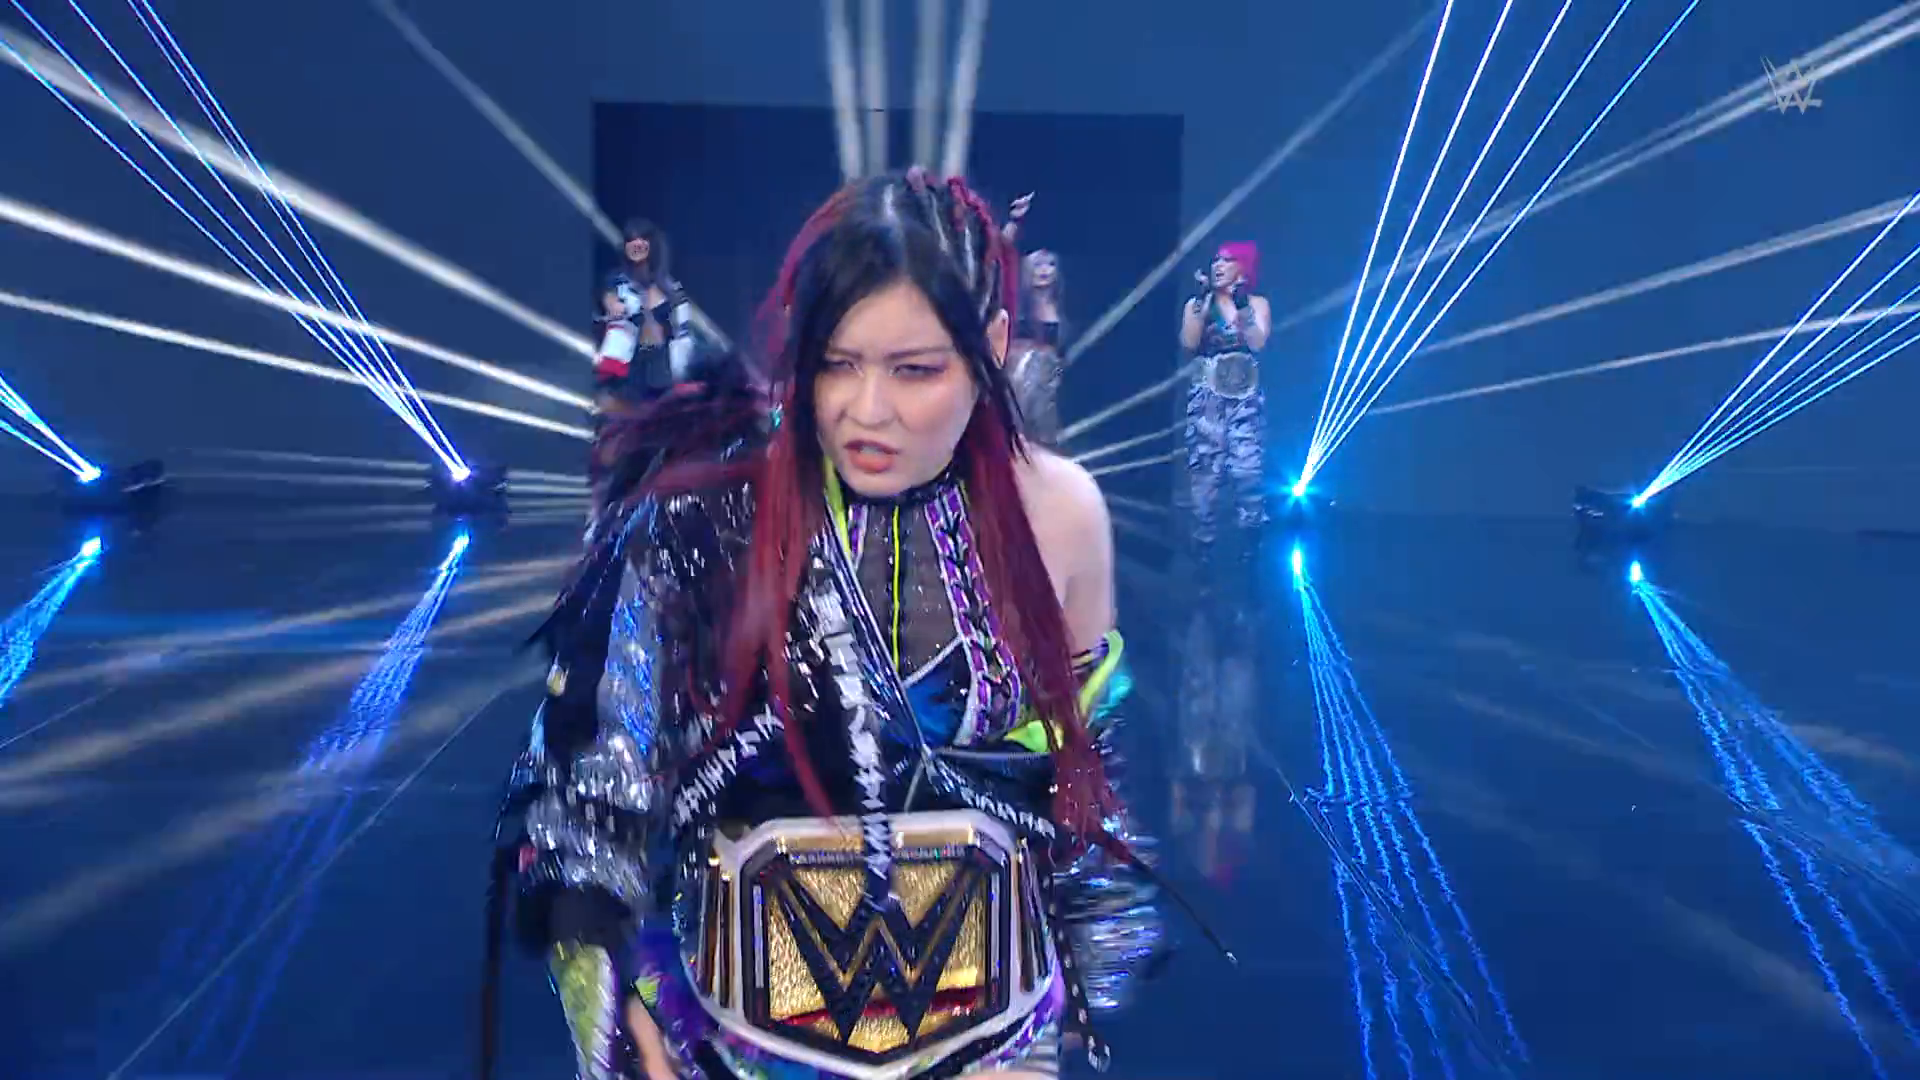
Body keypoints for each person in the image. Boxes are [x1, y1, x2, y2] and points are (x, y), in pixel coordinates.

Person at [488, 168, 1169, 1080]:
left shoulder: (1063, 514)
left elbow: (1084, 778)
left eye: (915, 369)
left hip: (996, 1044)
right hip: (739, 1047)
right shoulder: (701, 513)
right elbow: (582, 795)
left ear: (994, 347)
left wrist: (1082, 986)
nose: (866, 410)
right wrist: (617, 1017)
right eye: (836, 363)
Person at [1177, 242, 1271, 553]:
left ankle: (1252, 541)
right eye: (1216, 260)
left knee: (1247, 471)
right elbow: (1189, 342)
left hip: (1244, 401)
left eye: (1227, 260)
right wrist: (1201, 304)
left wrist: (1241, 304)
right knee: (1205, 474)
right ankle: (1202, 545)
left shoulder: (1256, 304)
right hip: (1207, 400)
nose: (1218, 265)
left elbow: (1257, 343)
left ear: (1242, 268)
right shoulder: (1198, 303)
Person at [593, 218, 697, 409]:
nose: (635, 245)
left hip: (660, 374)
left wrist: (680, 374)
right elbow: (607, 303)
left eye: (641, 240)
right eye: (630, 240)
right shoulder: (616, 282)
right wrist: (612, 305)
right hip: (625, 372)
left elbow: (682, 336)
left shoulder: (672, 291)